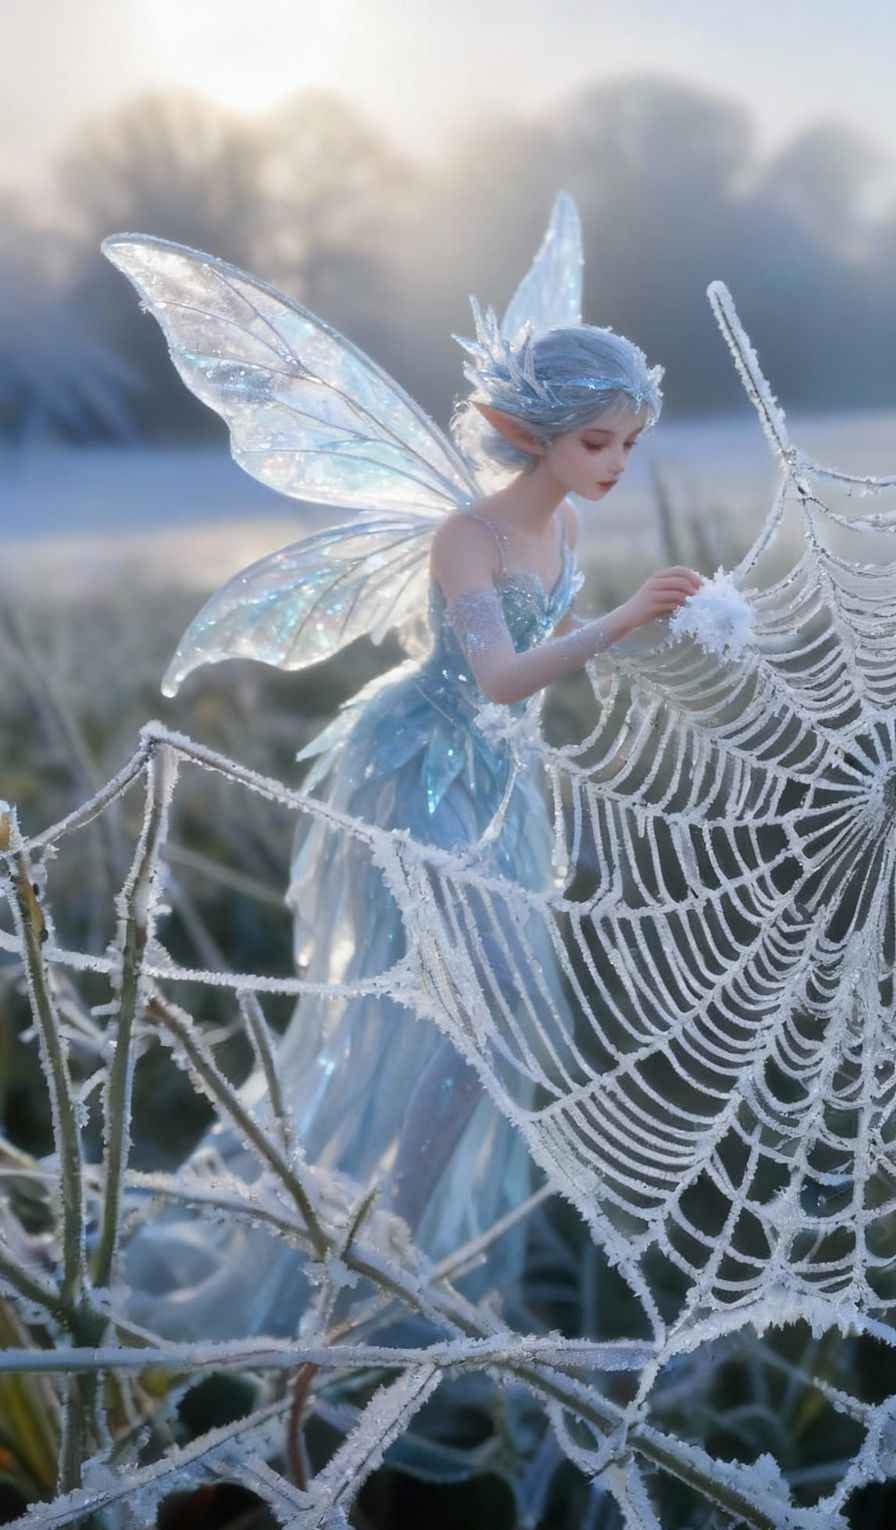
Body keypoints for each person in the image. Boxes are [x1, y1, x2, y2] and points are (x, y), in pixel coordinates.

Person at [107, 194, 701, 1339]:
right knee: (442, 1017)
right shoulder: (464, 536)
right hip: (419, 767)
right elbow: (499, 676)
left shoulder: (567, 526)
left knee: (501, 1022)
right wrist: (623, 619)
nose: (617, 465)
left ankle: (396, 1244)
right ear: (526, 428)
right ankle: (358, 1251)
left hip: (500, 785)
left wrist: (665, 637)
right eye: (598, 442)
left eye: (630, 443)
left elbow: (537, 675)